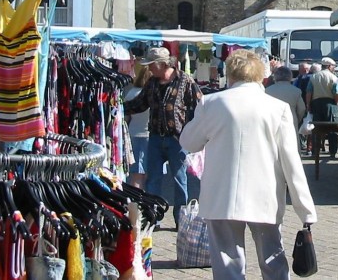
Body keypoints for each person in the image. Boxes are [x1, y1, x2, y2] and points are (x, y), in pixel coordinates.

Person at [179, 49, 317, 280]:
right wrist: (306, 210)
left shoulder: (211, 103)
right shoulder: (277, 108)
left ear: (230, 74)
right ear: (261, 76)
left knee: (227, 263)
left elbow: (189, 142)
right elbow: (291, 161)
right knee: (273, 258)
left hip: (221, 195)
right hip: (264, 195)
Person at [125, 46, 203, 227]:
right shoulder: (151, 83)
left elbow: (200, 106)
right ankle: (154, 218)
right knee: (153, 179)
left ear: (161, 64)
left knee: (179, 180)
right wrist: (118, 106)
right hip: (154, 138)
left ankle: (181, 220)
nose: (149, 69)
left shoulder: (185, 81)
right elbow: (140, 104)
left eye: (151, 65)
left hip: (178, 140)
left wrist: (195, 131)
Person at [306, 57, 338, 158]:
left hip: (316, 103)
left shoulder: (313, 77)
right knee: (332, 128)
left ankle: (315, 151)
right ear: (329, 66)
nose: (334, 68)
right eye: (333, 67)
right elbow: (337, 93)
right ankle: (333, 152)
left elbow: (309, 92)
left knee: (316, 128)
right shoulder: (334, 78)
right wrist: (336, 103)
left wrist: (308, 104)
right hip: (330, 104)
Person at [124, 67, 152, 189]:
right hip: (146, 135)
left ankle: (135, 201)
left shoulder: (131, 93)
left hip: (133, 133)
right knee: (141, 174)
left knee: (137, 172)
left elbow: (126, 117)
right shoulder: (151, 94)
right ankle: (136, 202)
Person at [265, 66, 306, 143]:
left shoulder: (267, 90)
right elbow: (302, 109)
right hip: (291, 120)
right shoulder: (296, 91)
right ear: (290, 76)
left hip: (271, 121)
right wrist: (297, 119)